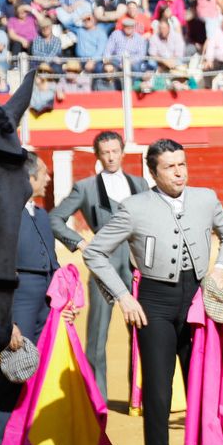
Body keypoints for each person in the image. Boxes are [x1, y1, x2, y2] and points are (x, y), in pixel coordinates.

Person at [83, 139, 223, 445]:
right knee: (158, 395)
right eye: (170, 167)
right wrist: (123, 296)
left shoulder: (205, 198)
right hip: (154, 303)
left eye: (182, 164)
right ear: (152, 173)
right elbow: (95, 252)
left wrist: (221, 268)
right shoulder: (134, 207)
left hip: (198, 300)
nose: (179, 172)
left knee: (203, 391)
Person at [50, 131, 149, 400]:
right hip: (102, 266)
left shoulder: (139, 184)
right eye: (105, 153)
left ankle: (141, 398)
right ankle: (97, 399)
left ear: (122, 152)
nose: (111, 157)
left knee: (141, 332)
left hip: (136, 266)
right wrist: (80, 243)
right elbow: (55, 218)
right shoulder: (85, 188)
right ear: (98, 155)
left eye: (115, 151)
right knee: (97, 335)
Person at [0, 156, 58, 445]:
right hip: (19, 297)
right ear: (28, 178)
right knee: (12, 371)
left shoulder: (41, 215)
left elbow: (52, 262)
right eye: (43, 174)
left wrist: (62, 299)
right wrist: (7, 319)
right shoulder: (5, 214)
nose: (48, 179)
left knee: (37, 376)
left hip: (45, 299)